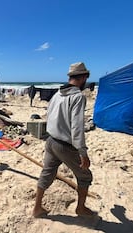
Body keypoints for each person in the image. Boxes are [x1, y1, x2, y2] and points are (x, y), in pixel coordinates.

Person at [33, 62, 96, 218]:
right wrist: (82, 151)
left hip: (50, 141)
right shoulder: (77, 97)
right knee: (85, 176)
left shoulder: (57, 94)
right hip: (64, 145)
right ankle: (80, 208)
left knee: (47, 173)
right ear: (82, 78)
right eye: (86, 78)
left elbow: (49, 116)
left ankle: (37, 208)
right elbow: (77, 127)